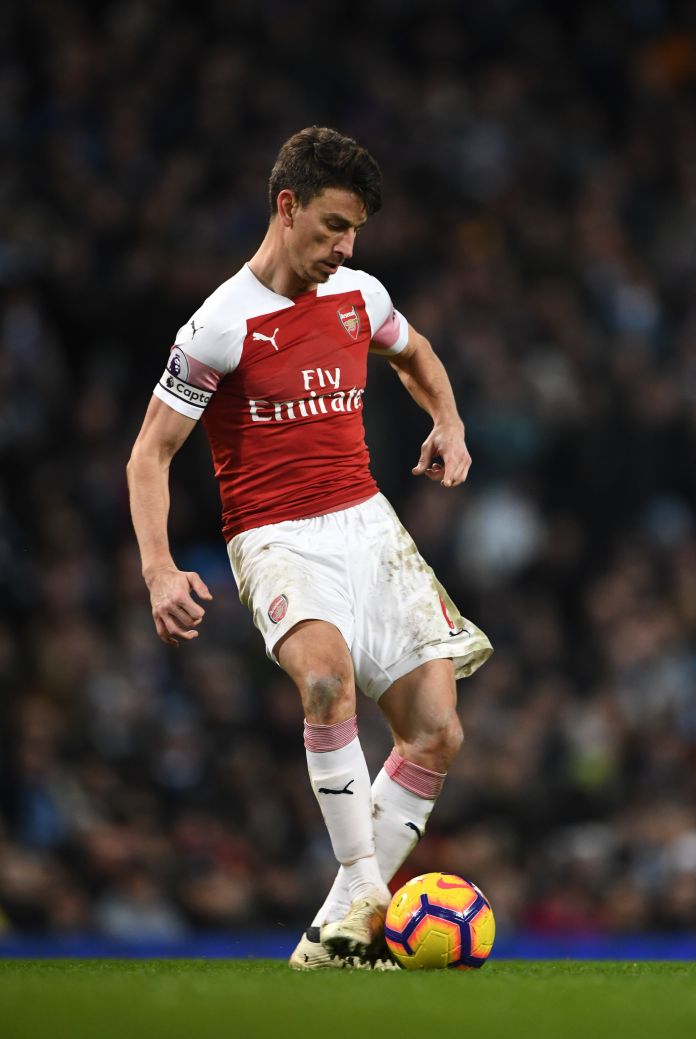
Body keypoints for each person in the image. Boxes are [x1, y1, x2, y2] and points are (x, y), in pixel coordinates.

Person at [126, 126, 492, 970]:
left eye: (354, 231)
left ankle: (334, 933)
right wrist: (158, 568)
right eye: (332, 226)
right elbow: (149, 453)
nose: (345, 247)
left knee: (437, 732)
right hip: (276, 534)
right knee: (325, 680)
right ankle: (365, 886)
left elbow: (415, 352)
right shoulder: (219, 325)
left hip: (368, 523)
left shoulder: (360, 295)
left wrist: (448, 420)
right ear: (286, 207)